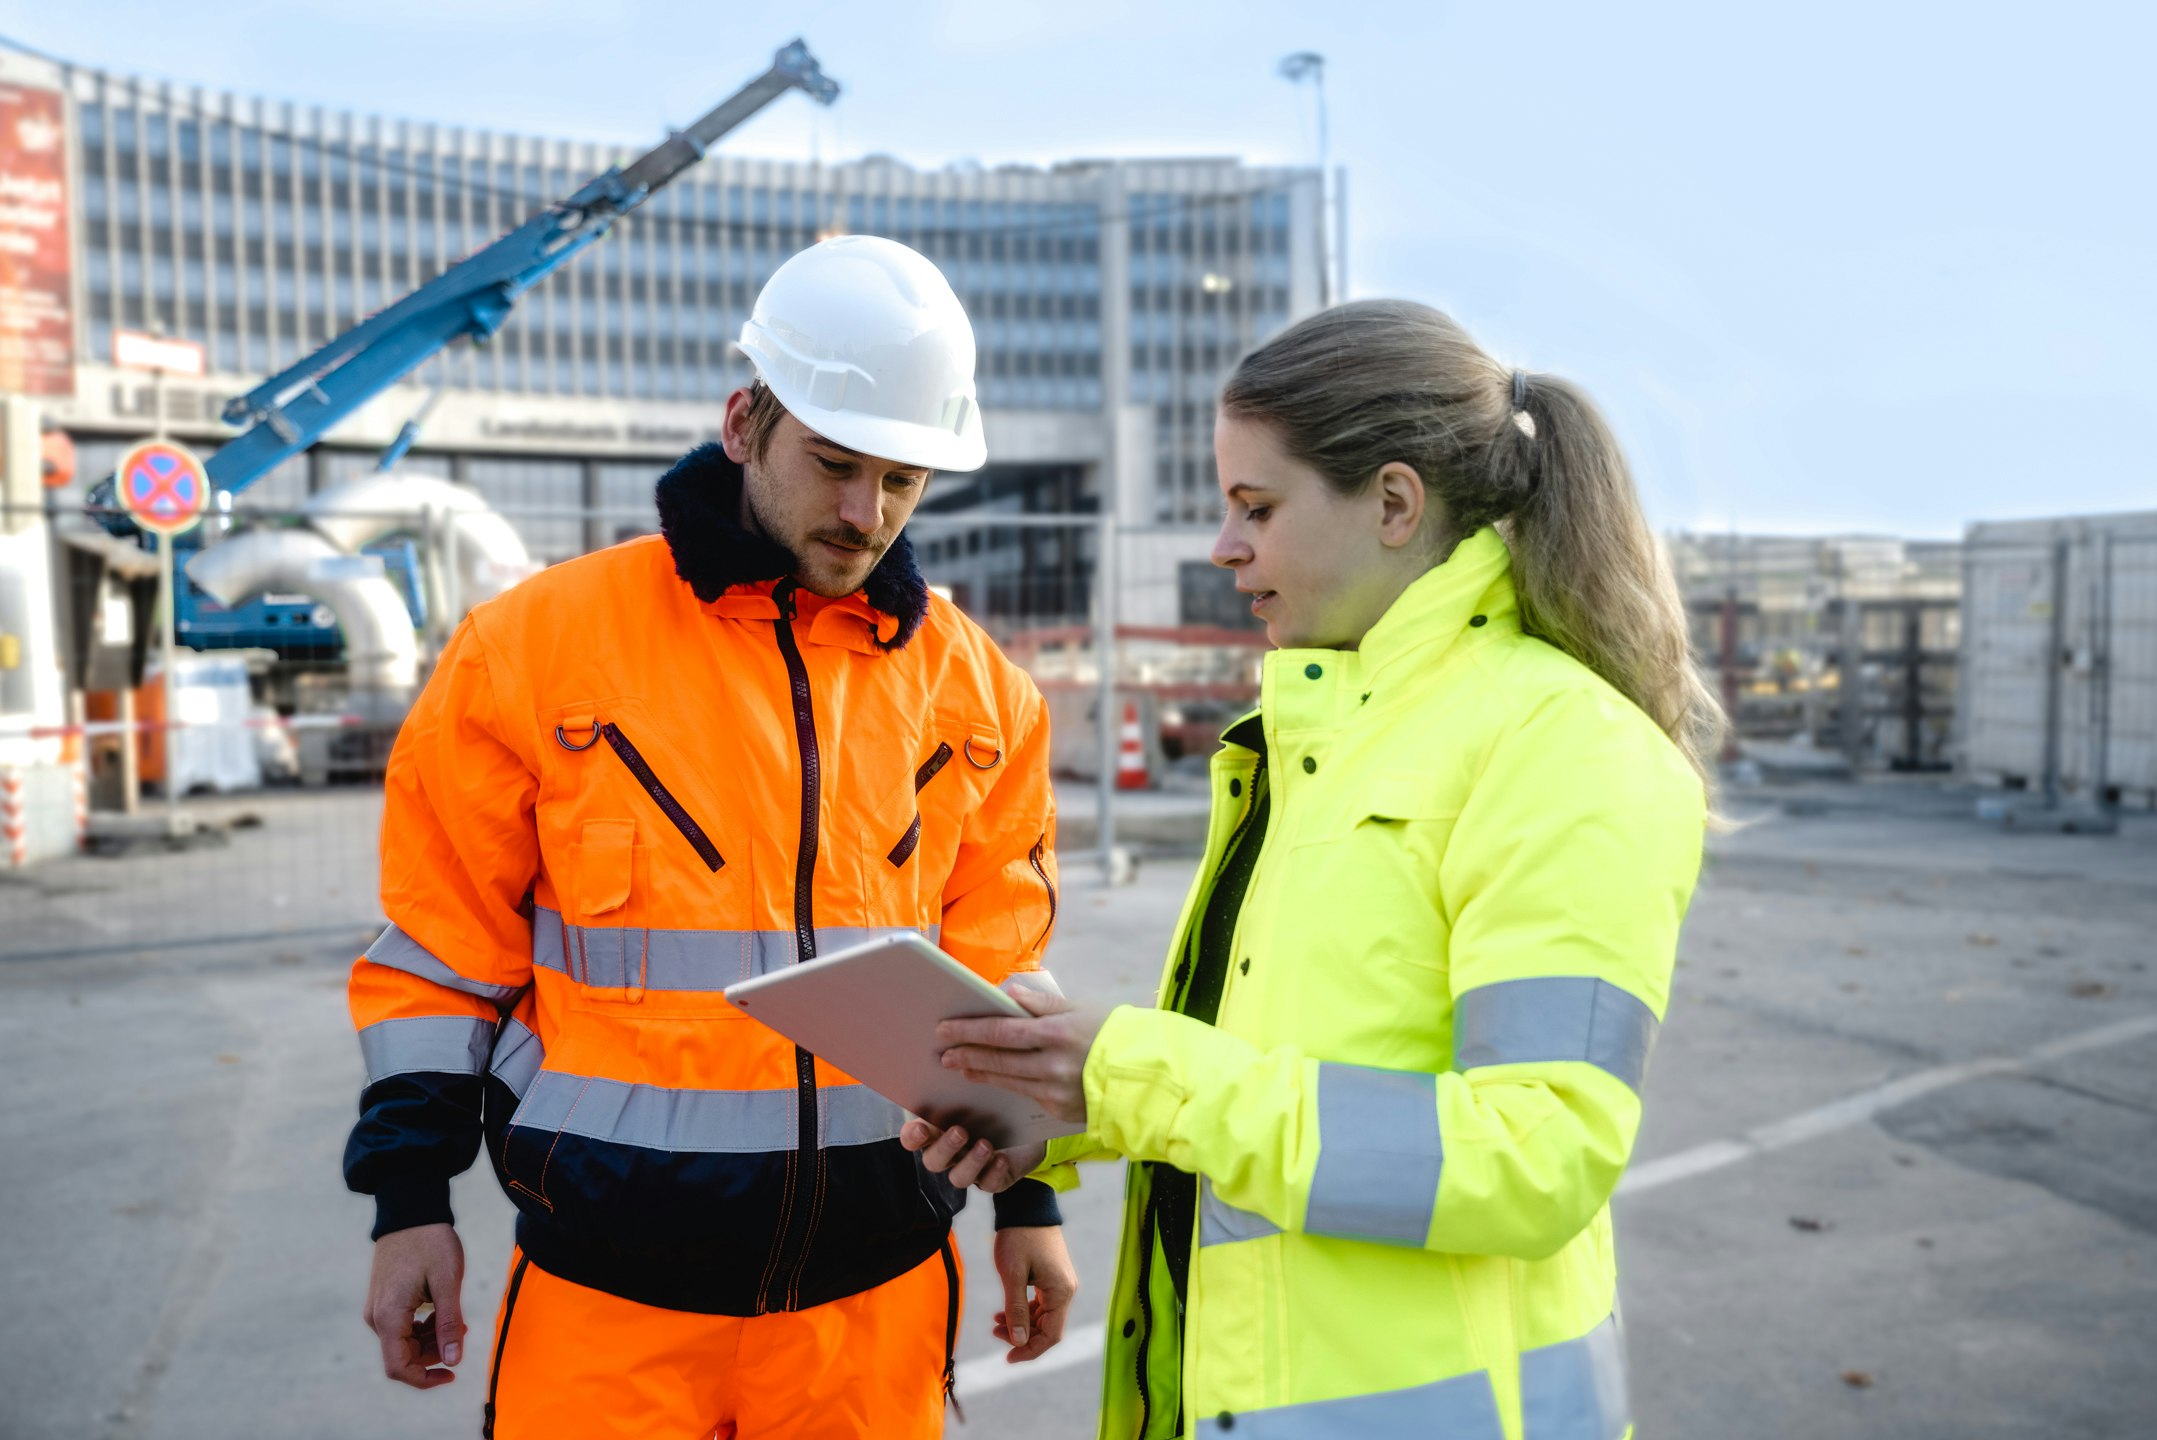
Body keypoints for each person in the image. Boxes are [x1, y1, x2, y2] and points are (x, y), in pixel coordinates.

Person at [908, 299, 1718, 1437]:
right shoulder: (1319, 732)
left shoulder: (1563, 744)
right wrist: (1056, 1099)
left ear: (1394, 503)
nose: (1222, 546)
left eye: (1257, 507)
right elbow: (1294, 1064)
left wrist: (1134, 1072)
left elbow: (1536, 1155)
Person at [345, 235, 1076, 1440]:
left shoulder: (979, 689)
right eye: (837, 464)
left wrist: (1028, 1200)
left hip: (876, 1306)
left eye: (904, 482)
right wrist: (406, 1203)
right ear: (744, 422)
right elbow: (439, 954)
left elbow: (1001, 975)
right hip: (607, 1305)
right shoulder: (534, 648)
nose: (867, 515)